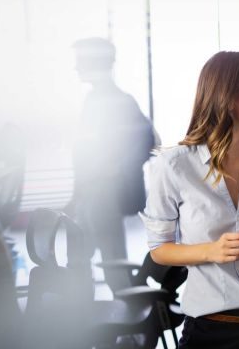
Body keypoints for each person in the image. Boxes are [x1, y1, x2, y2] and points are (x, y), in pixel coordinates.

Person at [140, 51, 239, 349]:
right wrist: (211, 251)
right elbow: (159, 251)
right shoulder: (173, 166)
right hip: (212, 329)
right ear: (228, 96)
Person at [68, 37, 155, 291]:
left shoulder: (114, 102)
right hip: (92, 195)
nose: (76, 67)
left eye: (80, 61)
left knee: (112, 264)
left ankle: (134, 320)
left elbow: (145, 142)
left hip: (101, 195)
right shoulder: (98, 99)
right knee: (87, 261)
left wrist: (112, 173)